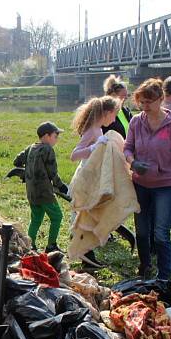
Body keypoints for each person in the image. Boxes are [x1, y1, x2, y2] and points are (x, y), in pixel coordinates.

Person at [124, 78, 171, 280]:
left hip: (165, 185)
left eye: (148, 102)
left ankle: (164, 275)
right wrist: (133, 163)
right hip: (140, 184)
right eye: (141, 103)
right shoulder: (136, 121)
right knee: (142, 232)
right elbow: (127, 147)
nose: (144, 107)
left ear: (160, 99)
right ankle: (145, 266)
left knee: (161, 234)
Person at [70, 95, 121, 268]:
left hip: (92, 178)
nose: (114, 119)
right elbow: (74, 155)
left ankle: (85, 254)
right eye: (114, 114)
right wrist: (93, 146)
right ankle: (84, 254)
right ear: (106, 113)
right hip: (84, 179)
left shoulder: (99, 130)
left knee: (88, 216)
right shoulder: (93, 130)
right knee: (83, 216)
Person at [13, 122, 68, 252]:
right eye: (56, 135)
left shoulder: (31, 147)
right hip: (44, 193)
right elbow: (52, 172)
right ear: (47, 136)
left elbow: (17, 161)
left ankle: (29, 245)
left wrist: (27, 171)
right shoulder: (47, 149)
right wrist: (61, 186)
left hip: (32, 192)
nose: (57, 139)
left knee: (36, 218)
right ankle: (51, 246)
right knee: (57, 217)